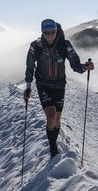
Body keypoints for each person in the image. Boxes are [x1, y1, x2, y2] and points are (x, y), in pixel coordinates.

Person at [23, 18, 94, 157]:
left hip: (60, 85)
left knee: (57, 119)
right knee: (51, 115)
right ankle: (53, 147)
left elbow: (75, 66)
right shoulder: (36, 46)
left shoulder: (65, 45)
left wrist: (86, 67)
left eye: (52, 32)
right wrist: (28, 87)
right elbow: (30, 66)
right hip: (43, 84)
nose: (49, 35)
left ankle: (54, 141)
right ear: (42, 32)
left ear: (56, 31)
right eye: (46, 33)